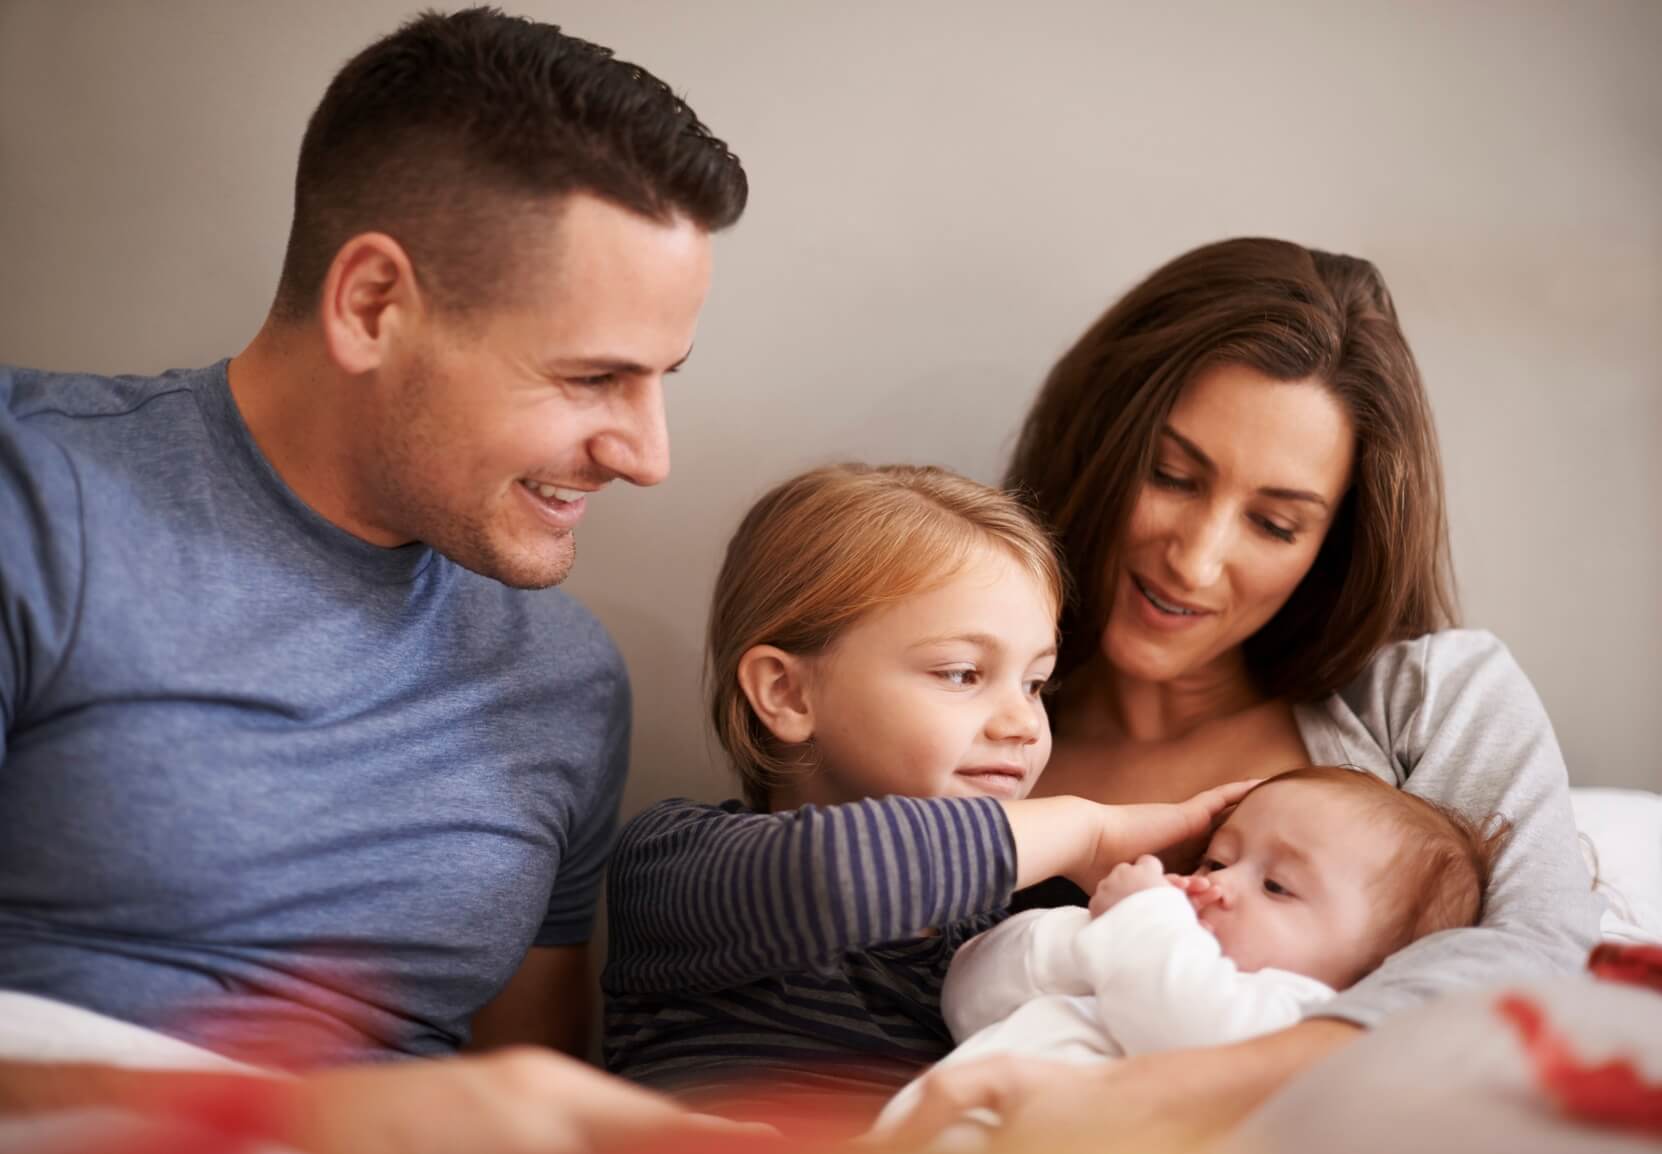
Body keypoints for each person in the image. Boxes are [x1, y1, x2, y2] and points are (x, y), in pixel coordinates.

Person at [0, 7, 756, 1151]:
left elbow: (527, 1096)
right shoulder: (37, 499)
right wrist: (307, 1111)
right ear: (371, 306)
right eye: (594, 376)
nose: (649, 457)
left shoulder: (561, 676)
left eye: (663, 379)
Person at [887, 237, 1604, 1151]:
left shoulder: (1428, 701)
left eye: (1274, 522)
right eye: (1172, 476)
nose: (1196, 558)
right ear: (1100, 443)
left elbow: (1539, 969)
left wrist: (1177, 1095)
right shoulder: (963, 720)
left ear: (1331, 544)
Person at [600, 463, 1256, 1133]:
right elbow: (837, 879)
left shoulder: (1008, 935)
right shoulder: (675, 861)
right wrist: (1085, 833)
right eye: (962, 673)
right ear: (787, 694)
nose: (1024, 723)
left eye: (1035, 684)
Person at [874, 765, 1510, 1144]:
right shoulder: (1136, 953)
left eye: (1277, 887)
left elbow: (1190, 1029)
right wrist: (1082, 938)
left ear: (1376, 968)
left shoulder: (1295, 1012)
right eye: (1218, 859)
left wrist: (1142, 922)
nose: (1219, 885)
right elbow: (966, 998)